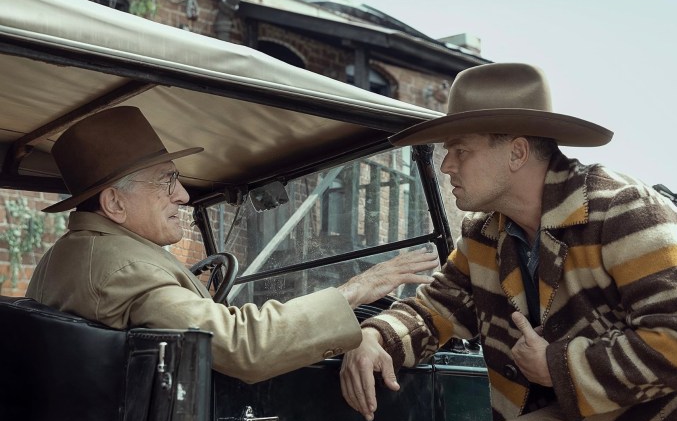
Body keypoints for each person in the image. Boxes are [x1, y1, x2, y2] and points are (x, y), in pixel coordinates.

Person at [339, 63, 677, 421]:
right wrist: (374, 337)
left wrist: (559, 365)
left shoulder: (625, 210)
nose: (447, 164)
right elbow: (436, 310)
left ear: (517, 153)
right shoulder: (485, 235)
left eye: (461, 150)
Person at [26, 106, 439, 384]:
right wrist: (355, 291)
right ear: (115, 203)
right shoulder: (127, 269)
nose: (184, 196)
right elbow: (243, 347)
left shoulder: (68, 256)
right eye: (167, 181)